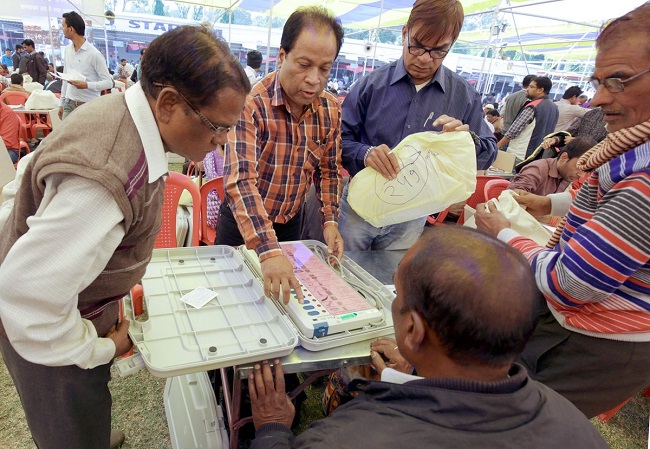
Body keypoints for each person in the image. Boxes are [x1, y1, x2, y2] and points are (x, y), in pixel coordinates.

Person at [0, 25, 249, 449]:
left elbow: (28, 177)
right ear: (169, 102)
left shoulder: (123, 114)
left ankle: (89, 430)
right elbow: (28, 299)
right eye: (216, 127)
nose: (220, 142)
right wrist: (99, 349)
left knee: (86, 407)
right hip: (50, 332)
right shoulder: (108, 176)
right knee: (68, 424)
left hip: (75, 308)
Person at [247, 227, 609, 449]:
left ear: (412, 331)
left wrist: (273, 427)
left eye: (397, 297)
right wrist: (420, 368)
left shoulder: (344, 439)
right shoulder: (574, 424)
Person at [474, 2, 650, 418]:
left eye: (620, 81)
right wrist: (547, 203)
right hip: (590, 326)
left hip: (597, 338)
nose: (599, 98)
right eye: (599, 81)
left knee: (517, 424)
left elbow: (569, 282)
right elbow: (612, 205)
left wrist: (503, 233)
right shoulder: (632, 156)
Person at [339, 0, 497, 251]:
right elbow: (337, 140)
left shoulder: (463, 96)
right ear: (405, 33)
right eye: (417, 46)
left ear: (451, 45)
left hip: (412, 214)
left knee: (388, 277)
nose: (424, 59)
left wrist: (465, 142)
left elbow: (489, 152)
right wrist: (365, 154)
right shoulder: (372, 85)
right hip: (360, 207)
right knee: (343, 270)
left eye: (438, 51)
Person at [217, 6, 344, 302]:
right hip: (243, 225)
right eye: (304, 64)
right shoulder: (251, 104)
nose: (314, 79)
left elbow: (329, 171)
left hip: (291, 223)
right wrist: (267, 249)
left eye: (324, 68)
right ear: (282, 55)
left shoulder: (330, 109)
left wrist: (330, 221)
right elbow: (241, 181)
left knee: (282, 302)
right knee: (233, 298)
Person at [59, 11, 115, 120]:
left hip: (88, 105)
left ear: (71, 29)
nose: (62, 29)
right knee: (67, 137)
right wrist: (62, 102)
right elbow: (66, 78)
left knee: (86, 137)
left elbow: (108, 82)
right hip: (69, 104)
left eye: (63, 26)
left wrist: (87, 85)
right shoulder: (67, 50)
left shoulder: (94, 54)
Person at [498, 76, 558, 162]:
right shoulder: (554, 107)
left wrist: (499, 145)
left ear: (540, 90)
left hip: (520, 153)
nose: (527, 89)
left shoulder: (533, 106)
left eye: (531, 87)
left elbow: (514, 130)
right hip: (539, 154)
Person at [508, 136, 594, 196]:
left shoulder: (567, 176)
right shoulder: (537, 170)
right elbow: (512, 199)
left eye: (587, 171)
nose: (581, 175)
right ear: (564, 157)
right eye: (580, 167)